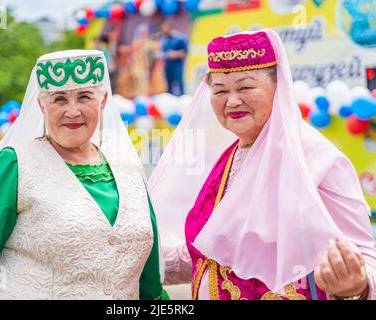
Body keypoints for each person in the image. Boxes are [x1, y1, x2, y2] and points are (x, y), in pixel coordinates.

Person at [148, 29, 376, 300]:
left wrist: (356, 286)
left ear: (279, 87)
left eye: (245, 87)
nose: (232, 101)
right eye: (220, 90)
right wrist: (144, 260)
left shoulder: (318, 160)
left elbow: (365, 258)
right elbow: (214, 253)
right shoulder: (230, 157)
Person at [0, 50, 167, 300]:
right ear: (41, 105)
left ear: (102, 102)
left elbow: (149, 286)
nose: (72, 111)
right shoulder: (14, 166)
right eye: (59, 99)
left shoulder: (129, 169)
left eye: (84, 97)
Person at [160, 22, 188, 96]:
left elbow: (185, 52)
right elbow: (164, 52)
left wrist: (175, 54)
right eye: (163, 30)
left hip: (177, 65)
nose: (164, 31)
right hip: (167, 65)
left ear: (170, 28)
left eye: (165, 29)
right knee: (168, 85)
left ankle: (182, 100)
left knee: (179, 84)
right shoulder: (164, 40)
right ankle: (169, 101)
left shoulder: (180, 38)